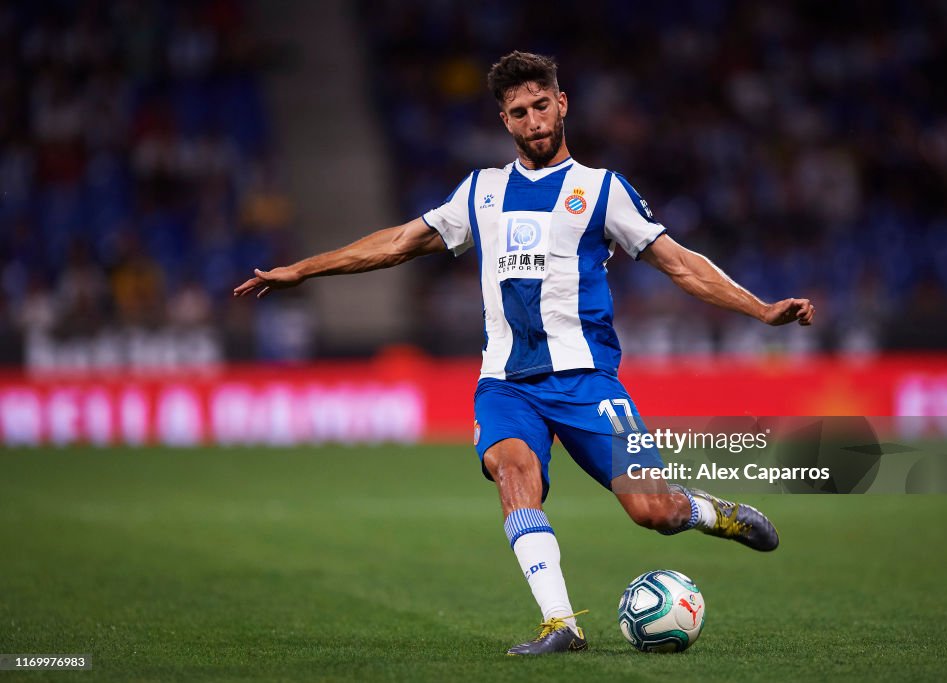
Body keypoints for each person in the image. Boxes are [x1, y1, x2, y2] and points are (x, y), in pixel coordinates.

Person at [234, 51, 815, 655]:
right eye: (519, 112)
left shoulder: (601, 189)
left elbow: (682, 266)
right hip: (506, 383)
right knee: (514, 473)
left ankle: (709, 511)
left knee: (655, 511)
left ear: (562, 104)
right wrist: (302, 270)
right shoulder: (481, 192)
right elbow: (400, 242)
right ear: (504, 121)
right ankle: (560, 622)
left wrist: (762, 309)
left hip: (588, 381)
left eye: (542, 105)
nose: (533, 120)